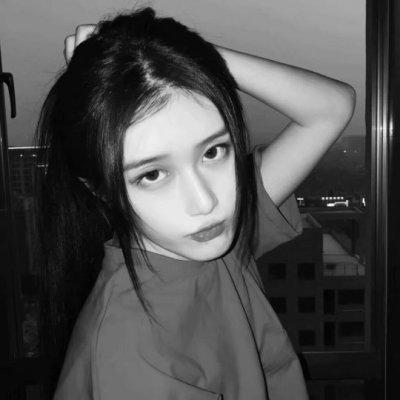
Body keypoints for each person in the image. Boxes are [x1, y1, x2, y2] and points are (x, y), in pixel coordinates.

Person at [35, 7, 355, 400]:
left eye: (213, 152)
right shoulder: (130, 358)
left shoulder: (211, 240)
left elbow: (331, 108)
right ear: (99, 189)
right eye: (153, 174)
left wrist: (177, 55)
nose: (206, 202)